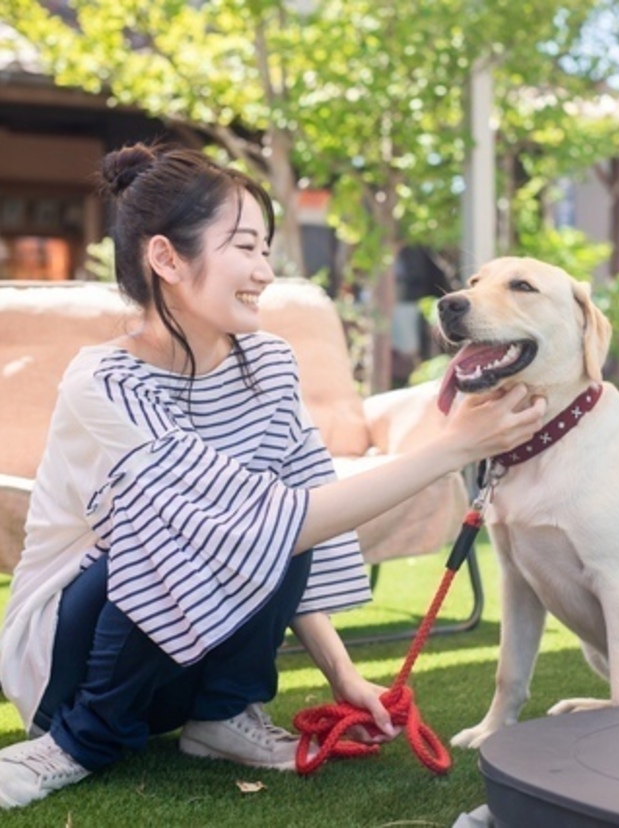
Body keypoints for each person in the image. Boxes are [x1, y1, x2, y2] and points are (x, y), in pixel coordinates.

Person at [0, 142, 545, 810]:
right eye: (244, 247)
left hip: (182, 661)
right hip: (75, 659)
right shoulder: (104, 383)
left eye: (265, 249)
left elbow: (297, 520)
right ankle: (76, 743)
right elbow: (241, 523)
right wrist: (453, 448)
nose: (264, 271)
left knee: (283, 507)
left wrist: (344, 675)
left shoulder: (268, 364)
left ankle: (222, 716)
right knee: (186, 516)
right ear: (167, 257)